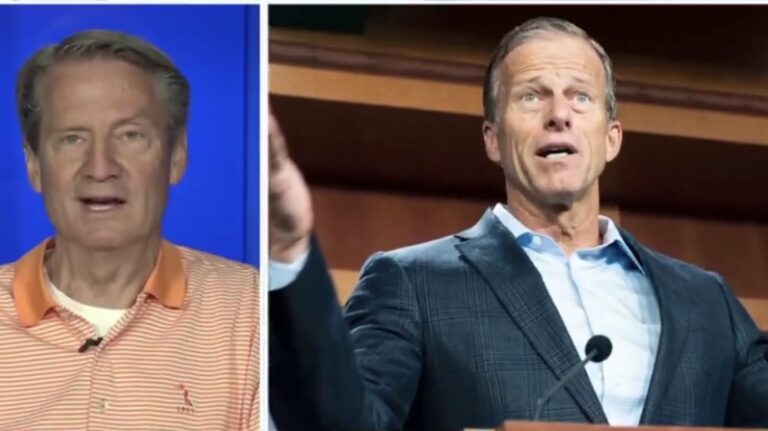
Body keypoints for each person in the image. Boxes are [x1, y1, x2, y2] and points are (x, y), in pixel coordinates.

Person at [268, 17, 768, 431]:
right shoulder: (412, 283)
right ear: (492, 138)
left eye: (580, 97)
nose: (558, 115)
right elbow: (341, 424)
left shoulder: (706, 301)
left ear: (612, 137)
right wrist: (290, 249)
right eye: (531, 97)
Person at [0, 30, 259, 429]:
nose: (100, 167)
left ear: (176, 157)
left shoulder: (251, 313)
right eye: (72, 139)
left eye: (130, 136)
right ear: (34, 165)